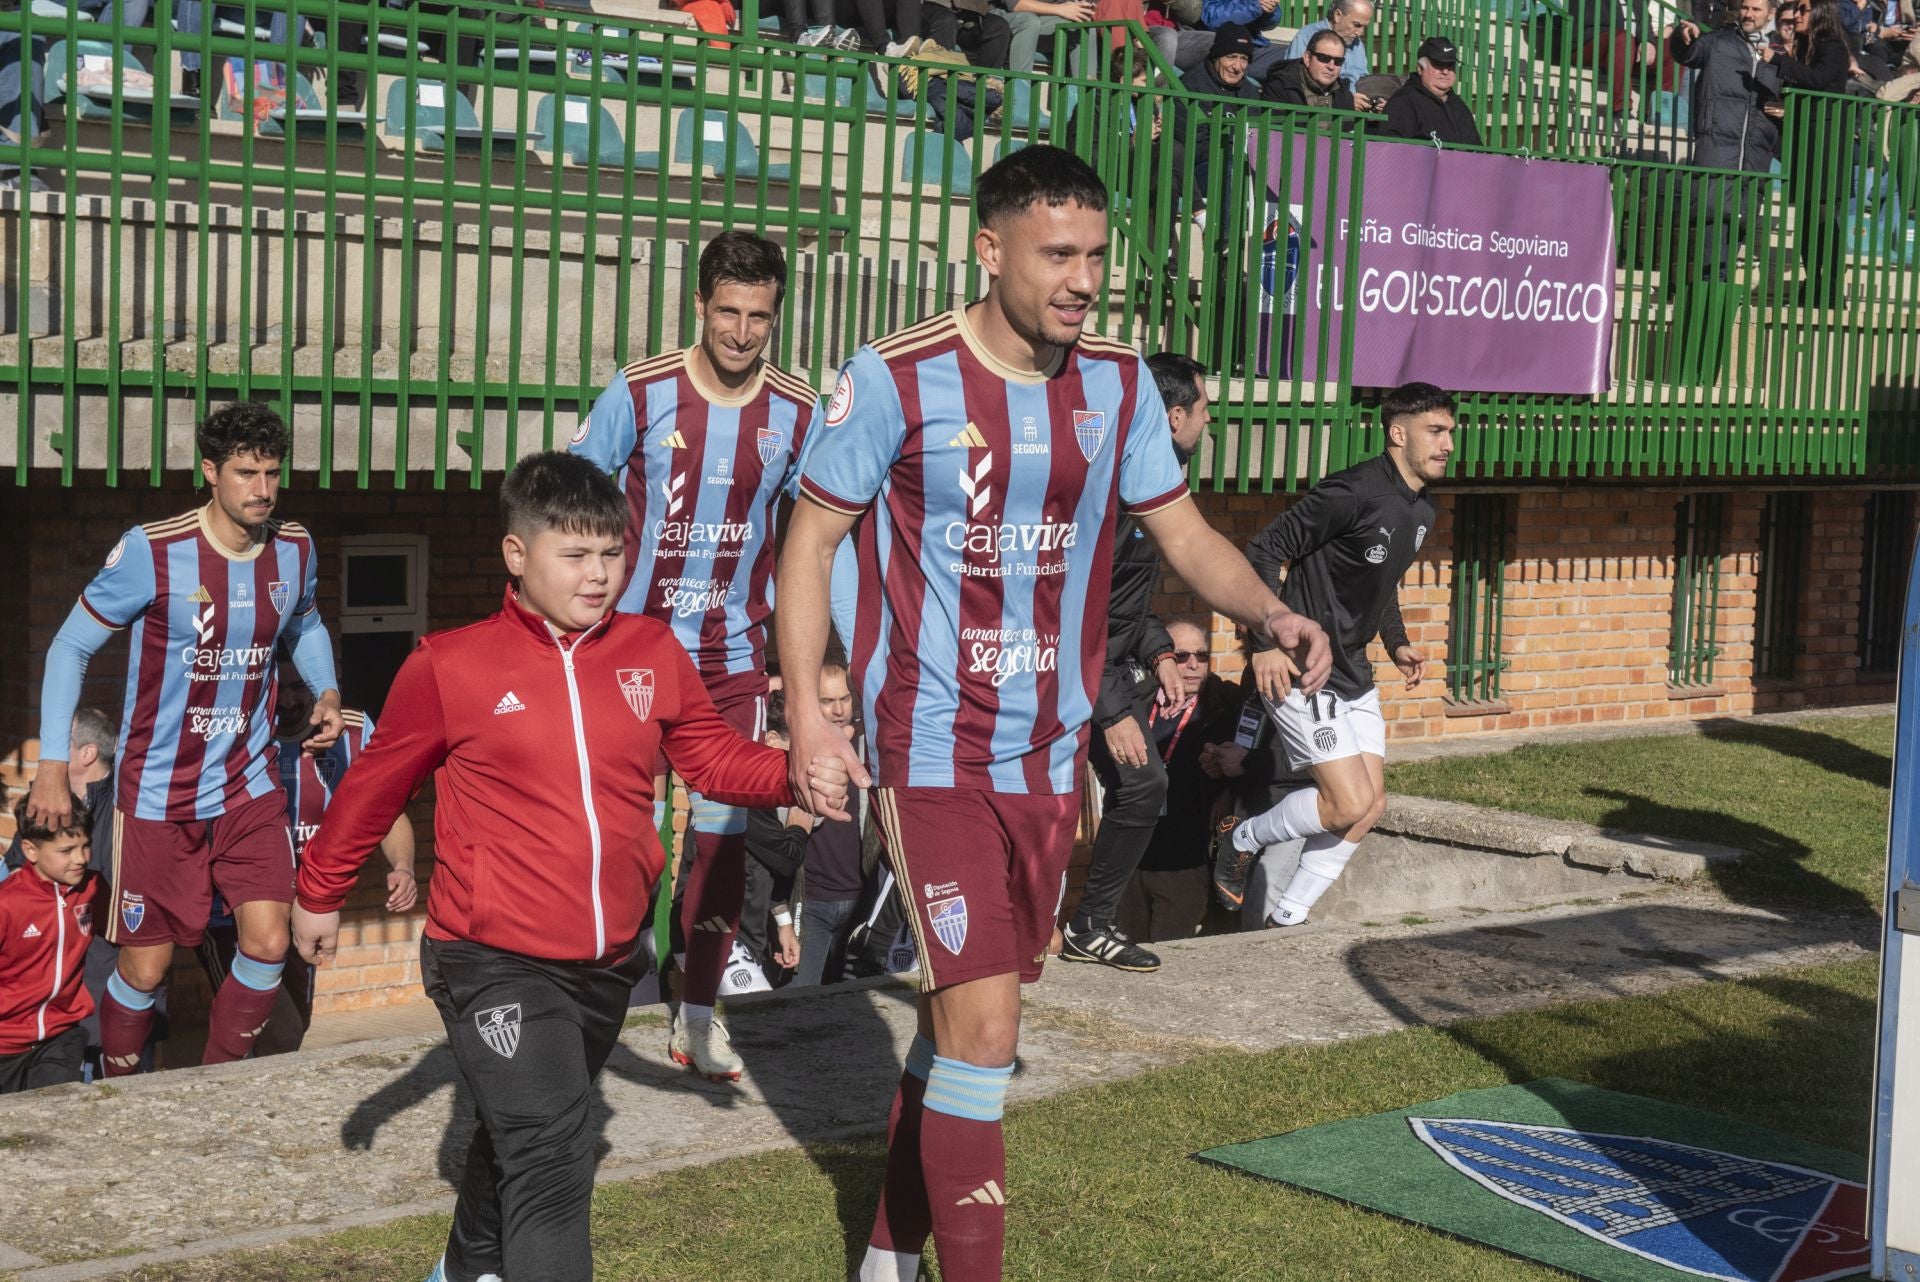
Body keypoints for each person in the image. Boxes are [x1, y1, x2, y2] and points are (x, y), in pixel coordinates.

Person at [776, 144, 1330, 1282]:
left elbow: (1184, 537)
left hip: (1045, 760)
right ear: (991, 251)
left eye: (1096, 256)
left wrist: (1272, 610)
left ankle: (885, 1249)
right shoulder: (893, 377)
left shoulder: (1120, 385)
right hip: (927, 748)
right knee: (989, 1034)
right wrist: (811, 716)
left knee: (956, 1034)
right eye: (1058, 254)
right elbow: (811, 542)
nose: (1083, 279)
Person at [291, 452, 849, 1282]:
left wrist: (793, 771)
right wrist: (320, 891)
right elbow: (375, 786)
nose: (599, 576)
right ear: (517, 557)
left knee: (518, 1135)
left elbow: (708, 758)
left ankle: (460, 1270)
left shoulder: (651, 650)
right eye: (576, 555)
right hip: (490, 956)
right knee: (555, 1149)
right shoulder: (449, 665)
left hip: (608, 963)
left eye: (613, 554)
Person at [570, 230, 823, 1084]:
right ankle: (595, 1004)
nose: (742, 332)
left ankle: (699, 1021)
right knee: (624, 841)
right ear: (700, 305)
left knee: (720, 849)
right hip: (632, 653)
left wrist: (811, 660)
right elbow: (568, 502)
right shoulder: (640, 393)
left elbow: (815, 543)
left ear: (775, 316)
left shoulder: (797, 411)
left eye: (759, 316)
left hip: (731, 662)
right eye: (728, 312)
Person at [28, 402, 343, 1076]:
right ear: (210, 471)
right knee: (145, 968)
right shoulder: (155, 550)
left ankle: (215, 1084)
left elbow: (307, 624)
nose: (261, 489)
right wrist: (53, 762)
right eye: (245, 473)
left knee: (267, 941)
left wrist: (327, 689)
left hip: (249, 786)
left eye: (271, 473)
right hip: (156, 796)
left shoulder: (295, 548)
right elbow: (67, 649)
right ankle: (118, 1080)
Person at [1226, 383, 1451, 929]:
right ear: (1399, 433)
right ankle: (1238, 839)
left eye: (1450, 432)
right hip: (1303, 667)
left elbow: (1383, 583)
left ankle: (1288, 915)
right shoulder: (1352, 491)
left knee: (1370, 806)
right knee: (1347, 802)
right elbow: (1264, 549)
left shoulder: (1422, 508)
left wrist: (1396, 642)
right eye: (1435, 431)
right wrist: (1266, 644)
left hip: (1355, 671)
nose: (1447, 443)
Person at [1061, 353, 1212, 974]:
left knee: (1144, 784)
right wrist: (1113, 709)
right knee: (1044, 804)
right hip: (1062, 669)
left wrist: (1158, 649)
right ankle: (880, 946)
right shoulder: (1112, 488)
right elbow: (1071, 613)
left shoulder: (1156, 485)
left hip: (1109, 665)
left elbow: (1124, 601)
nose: (1209, 423)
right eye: (1205, 410)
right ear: (1174, 416)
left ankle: (1089, 925)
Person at [196, 672, 418, 1056]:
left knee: (293, 1032)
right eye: (279, 687)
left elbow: (383, 810)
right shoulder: (232, 731)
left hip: (308, 906)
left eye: (300, 687)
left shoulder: (351, 730)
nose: (288, 701)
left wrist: (403, 865)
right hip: (232, 913)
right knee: (274, 1031)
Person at [1114, 618, 1241, 944]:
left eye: (1201, 656)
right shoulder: (1136, 704)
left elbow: (1255, 763)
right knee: (1128, 959)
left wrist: (1227, 785)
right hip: (1132, 863)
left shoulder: (1225, 707)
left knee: (1173, 964)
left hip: (1183, 864)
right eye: (1182, 656)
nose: (1193, 665)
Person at [1670, 0, 1784, 279]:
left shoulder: (1778, 56)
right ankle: (1707, 298)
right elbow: (1689, 53)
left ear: (1770, 13)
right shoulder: (1720, 41)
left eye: (1756, 9)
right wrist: (1681, 36)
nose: (1748, 14)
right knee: (1714, 225)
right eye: (1746, 7)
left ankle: (1718, 301)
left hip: (1755, 156)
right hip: (1718, 148)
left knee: (1739, 229)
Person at [0, 797, 104, 1092]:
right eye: (66, 850)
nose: (82, 858)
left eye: (85, 846)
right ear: (31, 850)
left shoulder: (94, 888)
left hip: (61, 1036)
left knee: (56, 1117)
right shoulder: (7, 904)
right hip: (5, 1042)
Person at [1764, 0, 1853, 302]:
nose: (1796, 15)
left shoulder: (1833, 46)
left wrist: (1777, 60)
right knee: (1805, 218)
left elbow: (1816, 81)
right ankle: (1812, 281)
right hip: (1806, 143)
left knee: (1825, 218)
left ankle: (1830, 286)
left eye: (1803, 9)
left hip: (1826, 147)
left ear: (1819, 12)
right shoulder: (1806, 46)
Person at [1174, 23, 1260, 203]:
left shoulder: (1250, 92)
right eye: (1231, 57)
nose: (1237, 66)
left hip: (1241, 166)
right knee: (1229, 165)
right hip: (1200, 170)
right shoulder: (1190, 86)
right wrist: (1234, 150)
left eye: (1244, 58)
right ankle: (1227, 232)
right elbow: (1192, 147)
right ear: (1216, 57)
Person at [1379, 37, 1483, 146]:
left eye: (1450, 65)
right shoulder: (1404, 102)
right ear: (1420, 68)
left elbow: (1478, 152)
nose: (1445, 71)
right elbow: (1390, 151)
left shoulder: (1459, 106)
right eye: (1438, 64)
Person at [1262, 27, 1369, 110]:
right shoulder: (1279, 88)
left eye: (1338, 61)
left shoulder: (1344, 95)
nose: (1331, 66)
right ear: (1307, 58)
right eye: (1324, 58)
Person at [1201, 0, 1306, 79]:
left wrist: (1270, 11)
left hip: (1253, 47)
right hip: (1222, 48)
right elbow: (1211, 18)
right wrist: (1255, 6)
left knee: (1303, 57)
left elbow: (1269, 25)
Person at [1283, 0, 1375, 84]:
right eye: (1356, 25)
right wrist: (1348, 97)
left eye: (1364, 27)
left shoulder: (1357, 44)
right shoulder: (1307, 35)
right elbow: (1294, 78)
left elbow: (1363, 80)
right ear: (1338, 15)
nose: (1359, 33)